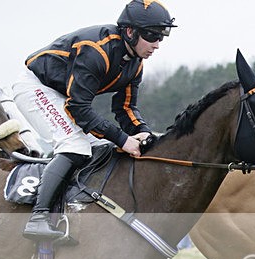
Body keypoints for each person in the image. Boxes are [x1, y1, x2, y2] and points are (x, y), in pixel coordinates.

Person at [13, 0, 176, 241]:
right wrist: (122, 139)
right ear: (130, 31)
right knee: (74, 145)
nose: (157, 45)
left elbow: (125, 108)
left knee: (102, 149)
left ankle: (74, 209)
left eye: (161, 37)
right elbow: (78, 107)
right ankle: (38, 218)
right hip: (36, 87)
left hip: (64, 95)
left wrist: (142, 132)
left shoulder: (135, 64)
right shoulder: (96, 50)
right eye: (151, 35)